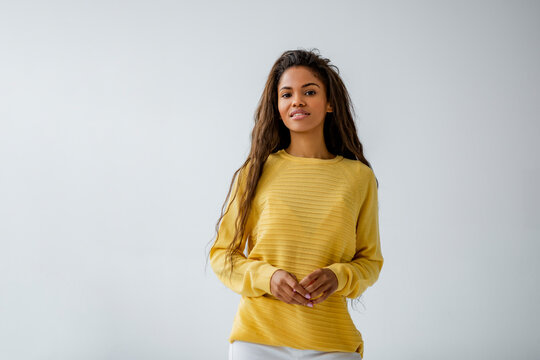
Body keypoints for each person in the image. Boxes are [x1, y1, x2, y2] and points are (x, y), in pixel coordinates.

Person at [207, 49, 383, 360]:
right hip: (257, 340)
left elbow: (369, 262)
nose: (297, 101)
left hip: (331, 341)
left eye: (309, 92)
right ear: (277, 107)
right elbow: (222, 256)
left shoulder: (358, 178)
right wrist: (268, 278)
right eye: (286, 94)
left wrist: (338, 276)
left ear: (329, 103)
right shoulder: (255, 172)